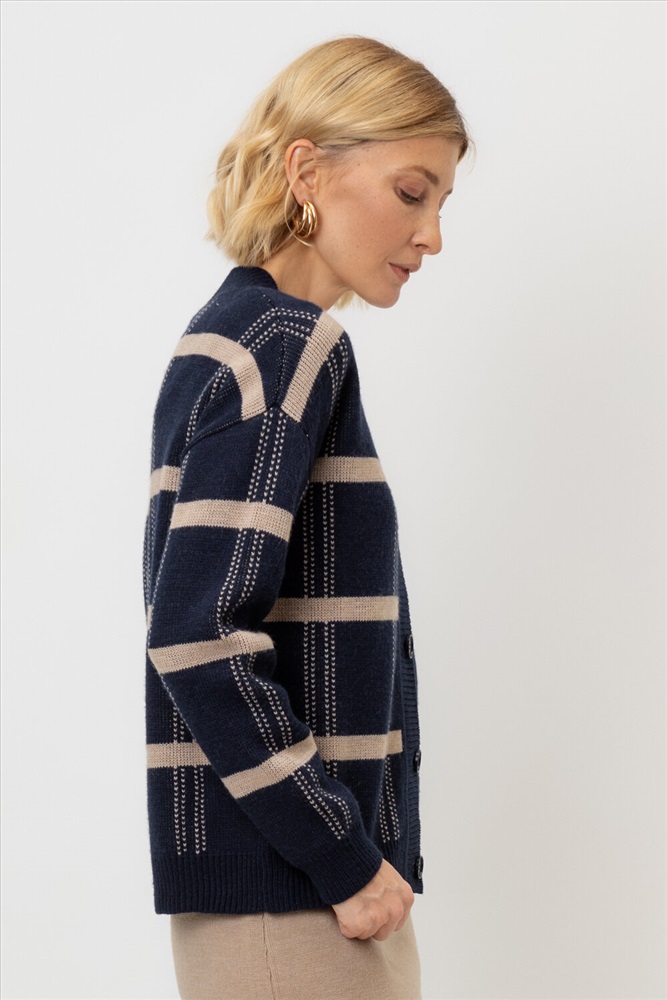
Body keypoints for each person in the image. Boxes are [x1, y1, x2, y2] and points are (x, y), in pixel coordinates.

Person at [143, 35, 471, 1000]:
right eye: (411, 192)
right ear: (306, 170)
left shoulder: (231, 336)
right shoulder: (287, 344)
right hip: (299, 898)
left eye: (443, 204)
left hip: (283, 890)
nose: (431, 236)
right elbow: (199, 634)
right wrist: (344, 857)